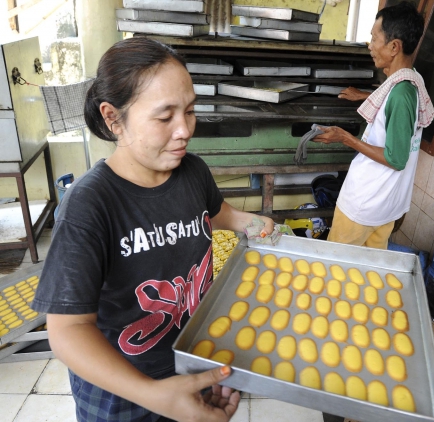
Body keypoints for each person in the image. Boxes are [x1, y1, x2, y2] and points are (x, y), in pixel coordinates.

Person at [32, 37, 274, 422]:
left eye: (190, 111)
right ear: (113, 119)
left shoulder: (192, 171)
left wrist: (256, 225)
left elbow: (217, 213)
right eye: (165, 117)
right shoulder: (91, 205)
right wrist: (154, 396)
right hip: (125, 394)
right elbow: (67, 330)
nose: (184, 130)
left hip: (193, 361)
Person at [315, 1, 434, 250]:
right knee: (368, 273)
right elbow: (394, 104)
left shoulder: (401, 95)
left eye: (374, 38)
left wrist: (345, 137)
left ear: (394, 46)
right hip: (387, 205)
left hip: (364, 204)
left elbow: (396, 158)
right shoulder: (412, 79)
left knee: (334, 269)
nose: (370, 46)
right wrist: (363, 96)